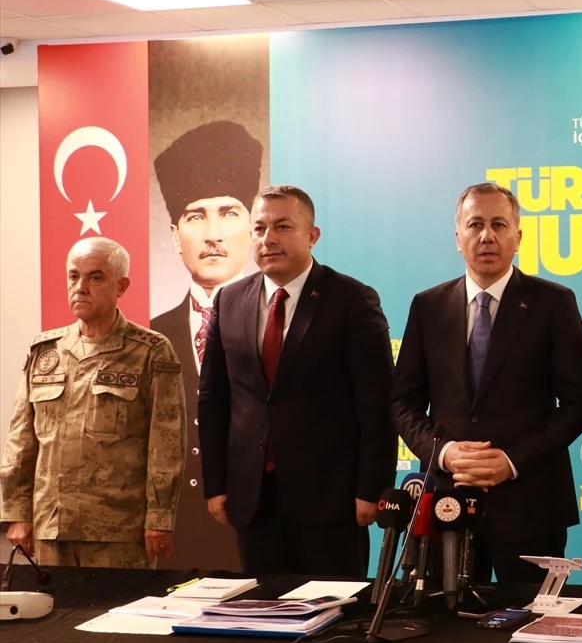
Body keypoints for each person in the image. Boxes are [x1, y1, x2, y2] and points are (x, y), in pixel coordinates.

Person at [391, 183, 582, 583]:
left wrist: (512, 461)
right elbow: (402, 402)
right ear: (458, 238)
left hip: (530, 502)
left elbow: (580, 401)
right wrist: (444, 453)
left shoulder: (553, 302)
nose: (487, 236)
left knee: (531, 618)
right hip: (446, 499)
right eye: (475, 225)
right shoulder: (428, 306)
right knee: (444, 618)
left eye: (499, 225)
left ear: (517, 237)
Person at [198, 185, 395, 576]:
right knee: (262, 607)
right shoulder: (227, 300)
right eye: (259, 229)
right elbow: (214, 399)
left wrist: (371, 488)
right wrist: (216, 483)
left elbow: (378, 403)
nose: (268, 239)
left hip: (331, 499)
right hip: (253, 499)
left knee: (334, 608)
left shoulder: (352, 299)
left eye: (282, 227)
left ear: (312, 235)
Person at [1, 237, 185, 568]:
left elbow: (166, 443)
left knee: (120, 604)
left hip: (119, 531)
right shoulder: (46, 351)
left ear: (121, 286)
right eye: (73, 277)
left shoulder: (151, 351)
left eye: (95, 277)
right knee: (51, 604)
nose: (80, 287)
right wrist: (17, 513)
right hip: (51, 527)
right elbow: (21, 440)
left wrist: (159, 517)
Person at [151, 120, 261, 570]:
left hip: (261, 522)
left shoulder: (284, 323)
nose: (213, 233)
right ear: (175, 234)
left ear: (252, 227)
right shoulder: (150, 337)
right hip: (177, 535)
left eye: (229, 212)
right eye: (196, 216)